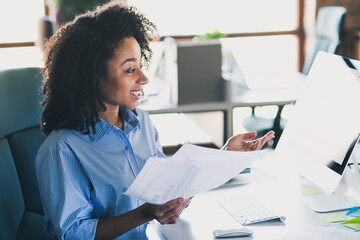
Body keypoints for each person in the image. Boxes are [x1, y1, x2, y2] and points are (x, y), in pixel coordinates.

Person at [35, 1, 275, 239]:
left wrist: (224, 156)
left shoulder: (142, 124)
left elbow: (169, 189)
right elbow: (72, 233)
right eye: (130, 70)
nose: (144, 78)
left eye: (140, 65)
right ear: (92, 76)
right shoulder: (62, 149)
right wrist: (147, 213)